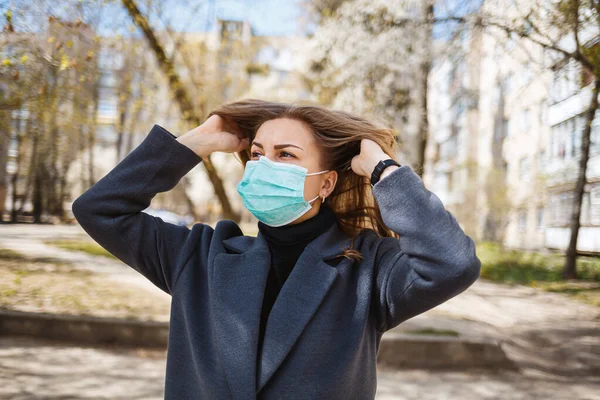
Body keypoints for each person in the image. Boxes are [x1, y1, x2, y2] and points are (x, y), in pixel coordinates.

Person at [71, 98, 481, 400]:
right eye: (256, 154)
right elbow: (100, 210)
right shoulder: (198, 256)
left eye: (286, 155)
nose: (266, 166)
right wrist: (196, 142)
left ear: (326, 184)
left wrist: (383, 171)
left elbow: (454, 263)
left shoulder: (369, 270)